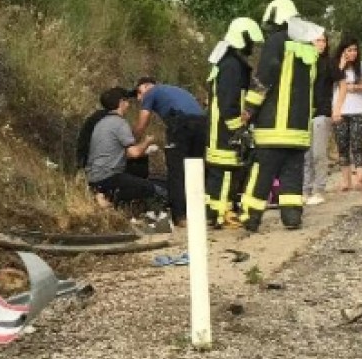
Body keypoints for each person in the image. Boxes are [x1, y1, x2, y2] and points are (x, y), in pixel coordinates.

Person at [240, 16, 325, 233]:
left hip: (273, 129)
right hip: (298, 131)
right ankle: (292, 216)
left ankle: (251, 217)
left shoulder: (276, 42)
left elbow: (263, 80)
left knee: (263, 173)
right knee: (292, 174)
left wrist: (249, 108)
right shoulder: (308, 49)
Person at [204, 17, 263, 228]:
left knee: (222, 173)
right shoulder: (231, 66)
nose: (252, 47)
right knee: (225, 172)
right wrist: (238, 128)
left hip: (221, 128)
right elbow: (228, 101)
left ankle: (217, 212)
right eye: (251, 42)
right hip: (224, 130)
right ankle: (220, 214)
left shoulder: (227, 61)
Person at [132, 76, 206, 225]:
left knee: (176, 170)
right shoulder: (173, 89)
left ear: (146, 86)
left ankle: (180, 216)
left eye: (138, 93)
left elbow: (143, 121)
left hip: (181, 124)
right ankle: (199, 212)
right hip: (202, 124)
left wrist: (132, 140)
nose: (139, 98)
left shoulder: (151, 92)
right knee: (195, 168)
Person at [85, 87, 165, 209]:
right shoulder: (119, 123)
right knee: (151, 189)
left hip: (94, 176)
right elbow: (134, 153)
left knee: (135, 175)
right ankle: (108, 198)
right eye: (127, 101)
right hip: (108, 176)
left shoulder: (102, 123)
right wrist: (147, 142)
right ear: (121, 103)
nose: (128, 104)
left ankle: (103, 194)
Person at [331, 37, 362, 192]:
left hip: (358, 110)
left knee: (357, 145)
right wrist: (341, 66)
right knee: (342, 146)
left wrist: (357, 87)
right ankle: (346, 181)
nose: (353, 53)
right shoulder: (335, 66)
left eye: (355, 50)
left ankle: (360, 179)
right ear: (342, 51)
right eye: (349, 50)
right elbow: (329, 83)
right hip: (340, 111)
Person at [304, 35, 343, 206]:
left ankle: (319, 189)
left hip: (322, 111)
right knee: (306, 154)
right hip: (305, 113)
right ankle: (305, 189)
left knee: (318, 153)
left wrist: (337, 108)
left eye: (323, 40)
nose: (320, 44)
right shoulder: (304, 62)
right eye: (317, 40)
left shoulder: (328, 63)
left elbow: (343, 84)